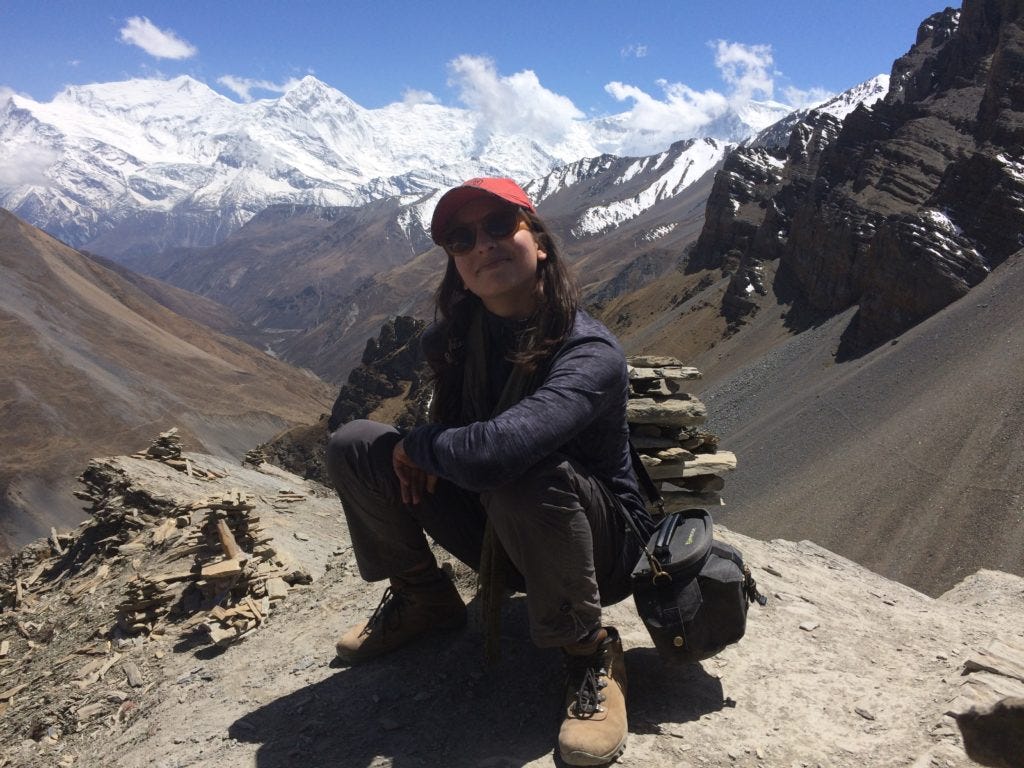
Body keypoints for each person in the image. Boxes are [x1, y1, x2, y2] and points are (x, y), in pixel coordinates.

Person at [325, 177, 654, 766]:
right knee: (354, 444)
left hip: (600, 548)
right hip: (500, 519)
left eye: (501, 226)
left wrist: (420, 446)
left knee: (517, 468)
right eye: (462, 238)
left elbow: (501, 452)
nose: (484, 245)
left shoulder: (589, 351)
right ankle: (424, 600)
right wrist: (417, 452)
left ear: (540, 241)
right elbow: (465, 448)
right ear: (456, 264)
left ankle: (590, 652)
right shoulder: (451, 342)